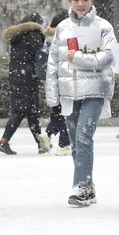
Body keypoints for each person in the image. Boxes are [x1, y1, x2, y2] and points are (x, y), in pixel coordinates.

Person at [45, 0, 116, 207]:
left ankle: (81, 187)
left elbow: (108, 56)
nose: (80, 4)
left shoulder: (103, 26)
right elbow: (53, 62)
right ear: (69, 1)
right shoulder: (63, 28)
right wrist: (52, 94)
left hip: (94, 91)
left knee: (84, 136)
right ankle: (88, 187)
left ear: (92, 0)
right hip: (69, 92)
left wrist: (79, 58)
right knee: (76, 142)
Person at [0, 13, 51, 155]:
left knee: (31, 111)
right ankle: (3, 141)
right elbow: (40, 54)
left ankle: (40, 144)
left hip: (18, 76)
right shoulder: (33, 34)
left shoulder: (18, 35)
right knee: (21, 111)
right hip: (28, 78)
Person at [43, 9, 71, 156]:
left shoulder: (48, 40)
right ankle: (63, 145)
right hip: (64, 82)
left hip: (51, 82)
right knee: (66, 114)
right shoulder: (65, 40)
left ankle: (48, 135)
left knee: (58, 114)